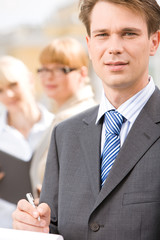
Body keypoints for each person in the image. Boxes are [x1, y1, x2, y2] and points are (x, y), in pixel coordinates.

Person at [12, 0, 160, 239]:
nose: (114, 47)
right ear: (90, 46)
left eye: (129, 33)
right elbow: (54, 227)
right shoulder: (64, 135)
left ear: (154, 42)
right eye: (102, 34)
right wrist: (35, 229)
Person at [31, 37, 97, 187]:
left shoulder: (79, 118)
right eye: (44, 69)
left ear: (82, 73)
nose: (48, 76)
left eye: (59, 69)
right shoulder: (63, 114)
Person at [0, 55, 54, 228]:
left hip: (49, 228)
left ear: (30, 80)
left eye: (13, 85)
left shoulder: (58, 127)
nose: (8, 94)